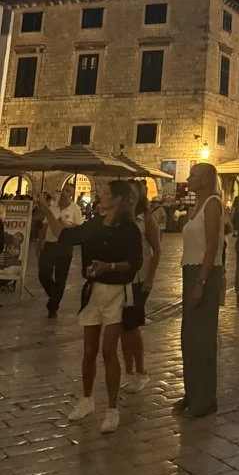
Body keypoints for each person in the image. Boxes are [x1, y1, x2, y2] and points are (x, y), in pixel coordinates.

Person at [38, 180, 142, 433]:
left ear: (117, 199)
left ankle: (112, 408)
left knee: (108, 351)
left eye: (105, 193)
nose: (100, 196)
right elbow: (64, 234)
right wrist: (45, 209)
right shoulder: (95, 224)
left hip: (117, 291)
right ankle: (86, 400)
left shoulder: (129, 228)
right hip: (93, 291)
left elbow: (135, 261)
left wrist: (111, 267)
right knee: (88, 350)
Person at [178, 163, 224, 418]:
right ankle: (192, 392)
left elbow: (212, 247)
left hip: (204, 273)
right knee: (189, 336)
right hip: (190, 270)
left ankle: (206, 399)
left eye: (193, 175)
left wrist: (201, 282)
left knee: (203, 338)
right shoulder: (197, 205)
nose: (188, 178)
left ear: (205, 180)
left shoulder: (213, 205)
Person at [121, 181, 162, 393]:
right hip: (121, 279)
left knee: (132, 326)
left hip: (139, 279)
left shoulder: (146, 219)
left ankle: (141, 370)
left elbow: (157, 250)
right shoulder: (122, 219)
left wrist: (150, 279)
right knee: (121, 326)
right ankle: (128, 370)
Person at [38, 182, 84, 318]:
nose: (64, 193)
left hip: (64, 247)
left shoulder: (75, 209)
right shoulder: (53, 206)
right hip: (50, 244)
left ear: (71, 194)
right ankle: (54, 295)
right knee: (43, 273)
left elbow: (79, 229)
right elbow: (45, 225)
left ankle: (53, 306)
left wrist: (67, 227)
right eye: (64, 189)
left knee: (60, 277)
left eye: (68, 191)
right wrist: (40, 243)